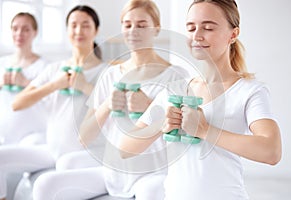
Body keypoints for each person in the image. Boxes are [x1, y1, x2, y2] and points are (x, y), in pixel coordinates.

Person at [119, 0, 282, 199]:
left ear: (233, 34)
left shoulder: (250, 91)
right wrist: (160, 123)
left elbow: (271, 151)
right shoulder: (175, 88)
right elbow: (125, 149)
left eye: (208, 27)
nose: (197, 35)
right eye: (191, 27)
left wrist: (205, 130)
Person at [31, 0, 189, 199]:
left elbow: (187, 133)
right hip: (112, 172)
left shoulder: (176, 75)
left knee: (151, 193)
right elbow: (84, 138)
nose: (134, 31)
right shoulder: (111, 74)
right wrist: (107, 105)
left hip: (153, 174)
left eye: (142, 25)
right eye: (127, 24)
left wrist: (150, 107)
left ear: (156, 28)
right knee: (45, 184)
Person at [0, 5, 105, 200]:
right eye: (73, 25)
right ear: (67, 30)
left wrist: (84, 87)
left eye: (85, 25)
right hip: (52, 149)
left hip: (84, 155)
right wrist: (54, 85)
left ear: (96, 30)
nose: (78, 31)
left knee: (52, 179)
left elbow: (113, 105)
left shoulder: (106, 71)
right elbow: (17, 103)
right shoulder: (55, 69)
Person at [0, 12, 48, 145]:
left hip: (33, 137)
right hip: (3, 136)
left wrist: (26, 83)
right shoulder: (2, 63)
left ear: (35, 32)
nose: (19, 33)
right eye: (15, 28)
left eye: (26, 29)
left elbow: (51, 98)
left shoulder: (44, 67)